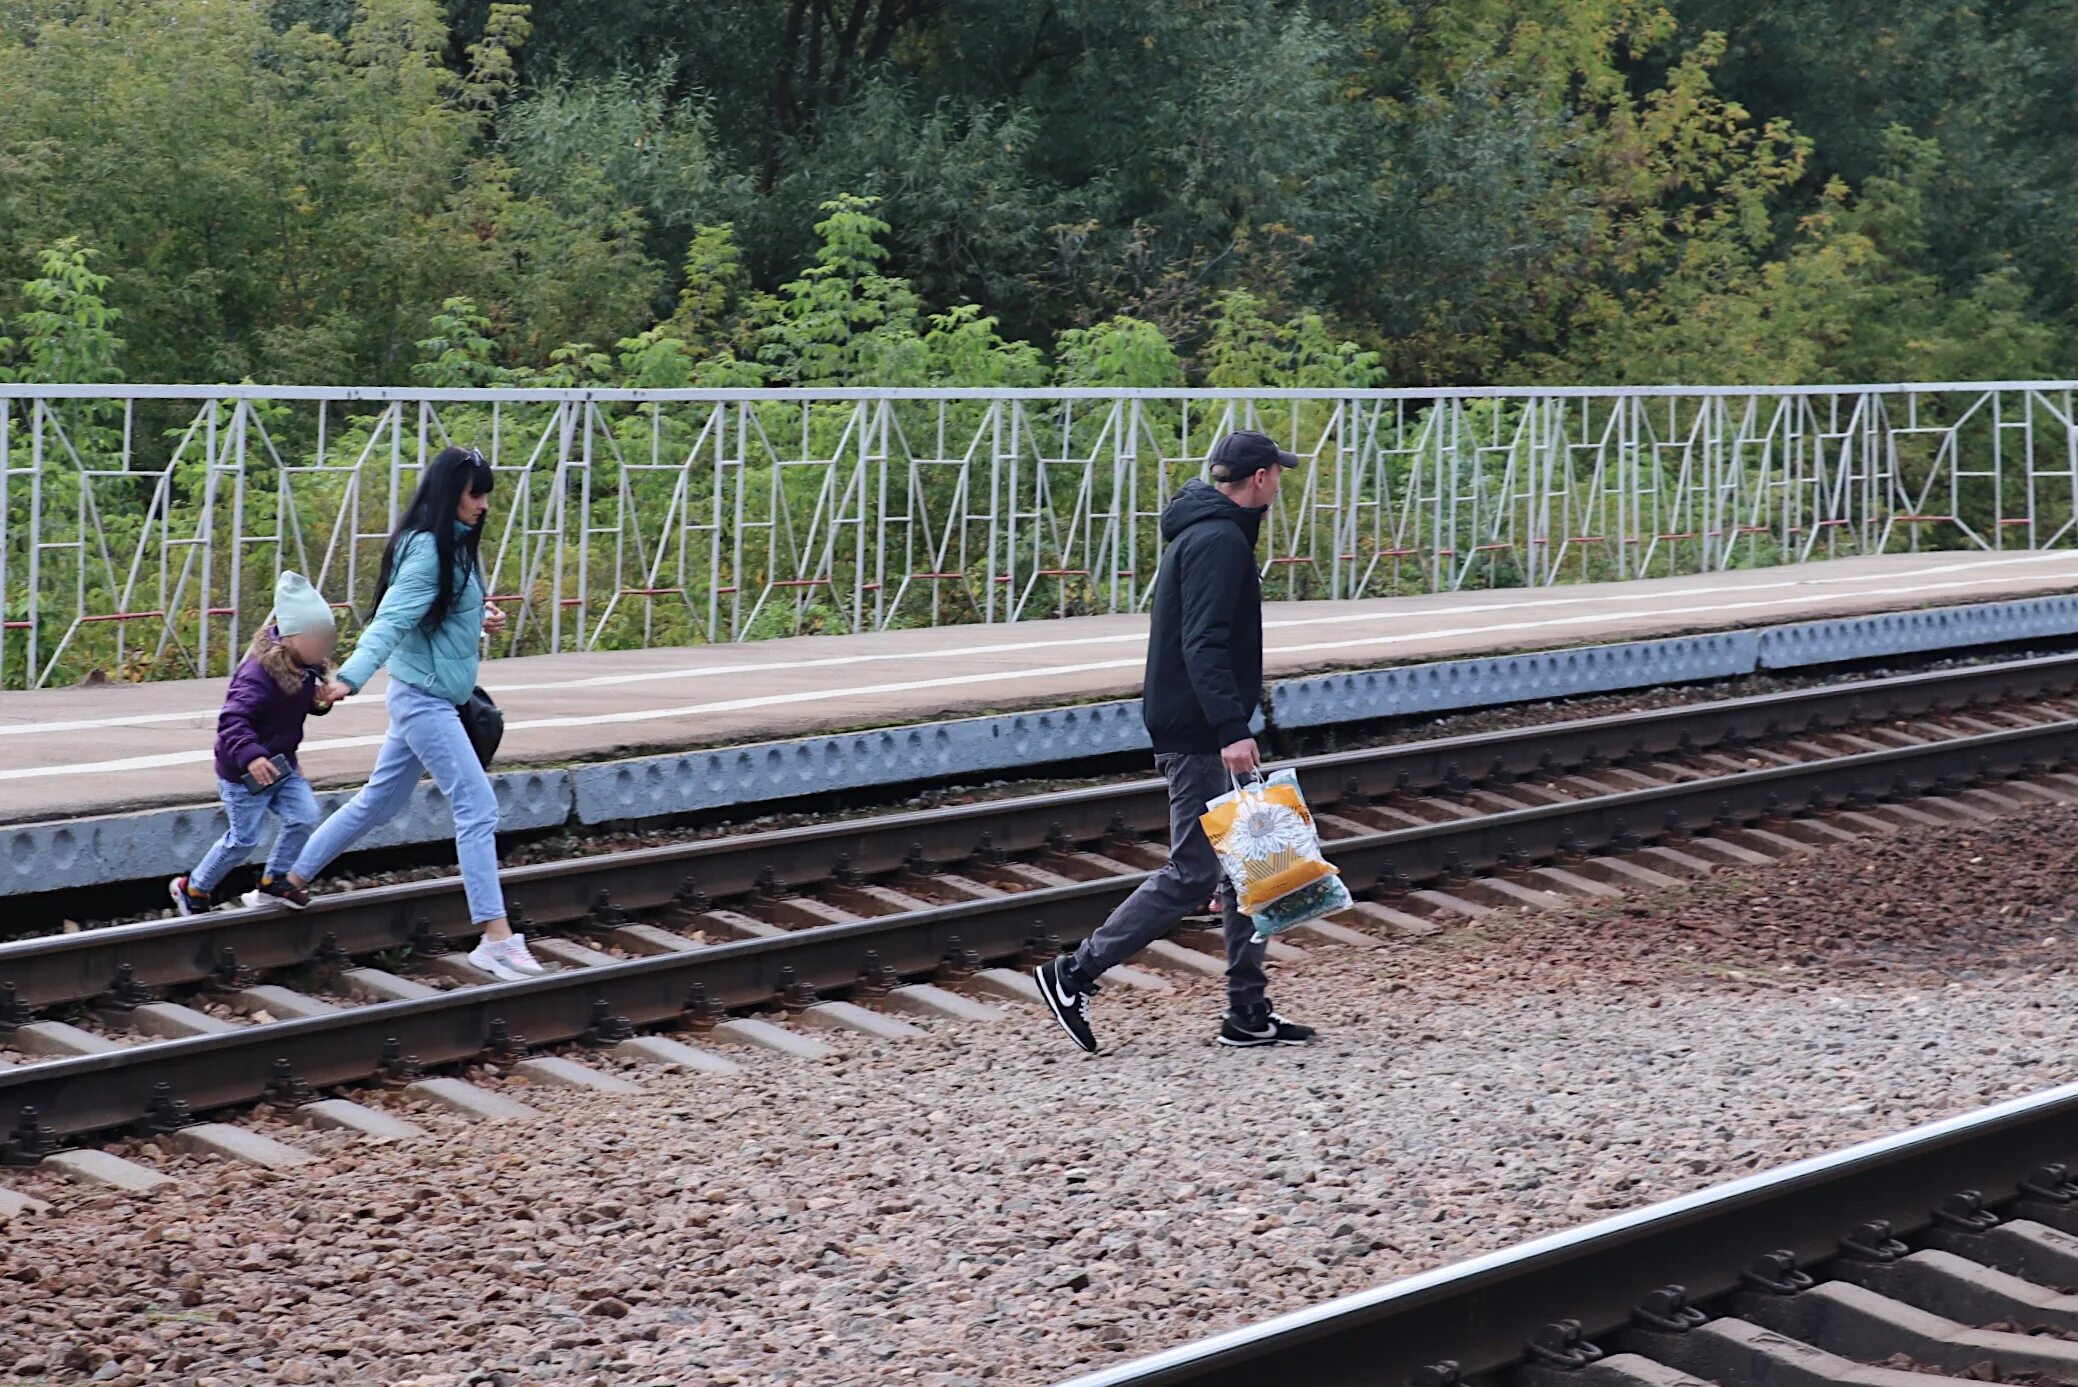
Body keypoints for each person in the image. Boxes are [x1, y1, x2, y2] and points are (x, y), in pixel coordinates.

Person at [1036, 430, 1319, 1052]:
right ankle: (1074, 973)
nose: (1281, 484)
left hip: (1200, 722)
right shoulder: (1219, 540)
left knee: (1250, 864)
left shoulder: (1208, 530)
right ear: (1264, 477)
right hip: (1197, 730)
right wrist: (1230, 729)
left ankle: (1247, 1014)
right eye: (1279, 473)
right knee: (1194, 872)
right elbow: (1203, 643)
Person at [278, 446, 547, 982]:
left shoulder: (454, 545)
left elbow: (436, 616)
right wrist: (348, 678)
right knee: (477, 805)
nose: (484, 504)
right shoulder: (430, 551)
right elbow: (392, 620)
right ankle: (496, 939)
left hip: (426, 693)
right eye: (476, 494)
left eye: (487, 494)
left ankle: (285, 879)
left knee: (378, 800)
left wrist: (477, 621)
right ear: (451, 494)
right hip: (423, 698)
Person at [168, 571, 340, 915]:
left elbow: (294, 708)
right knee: (244, 838)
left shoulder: (306, 669)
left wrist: (320, 702)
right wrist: (251, 757)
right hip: (244, 772)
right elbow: (232, 722)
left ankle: (274, 880)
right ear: (292, 636)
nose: (324, 648)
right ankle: (193, 888)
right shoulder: (256, 675)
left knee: (304, 816)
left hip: (283, 765)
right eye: (317, 639)